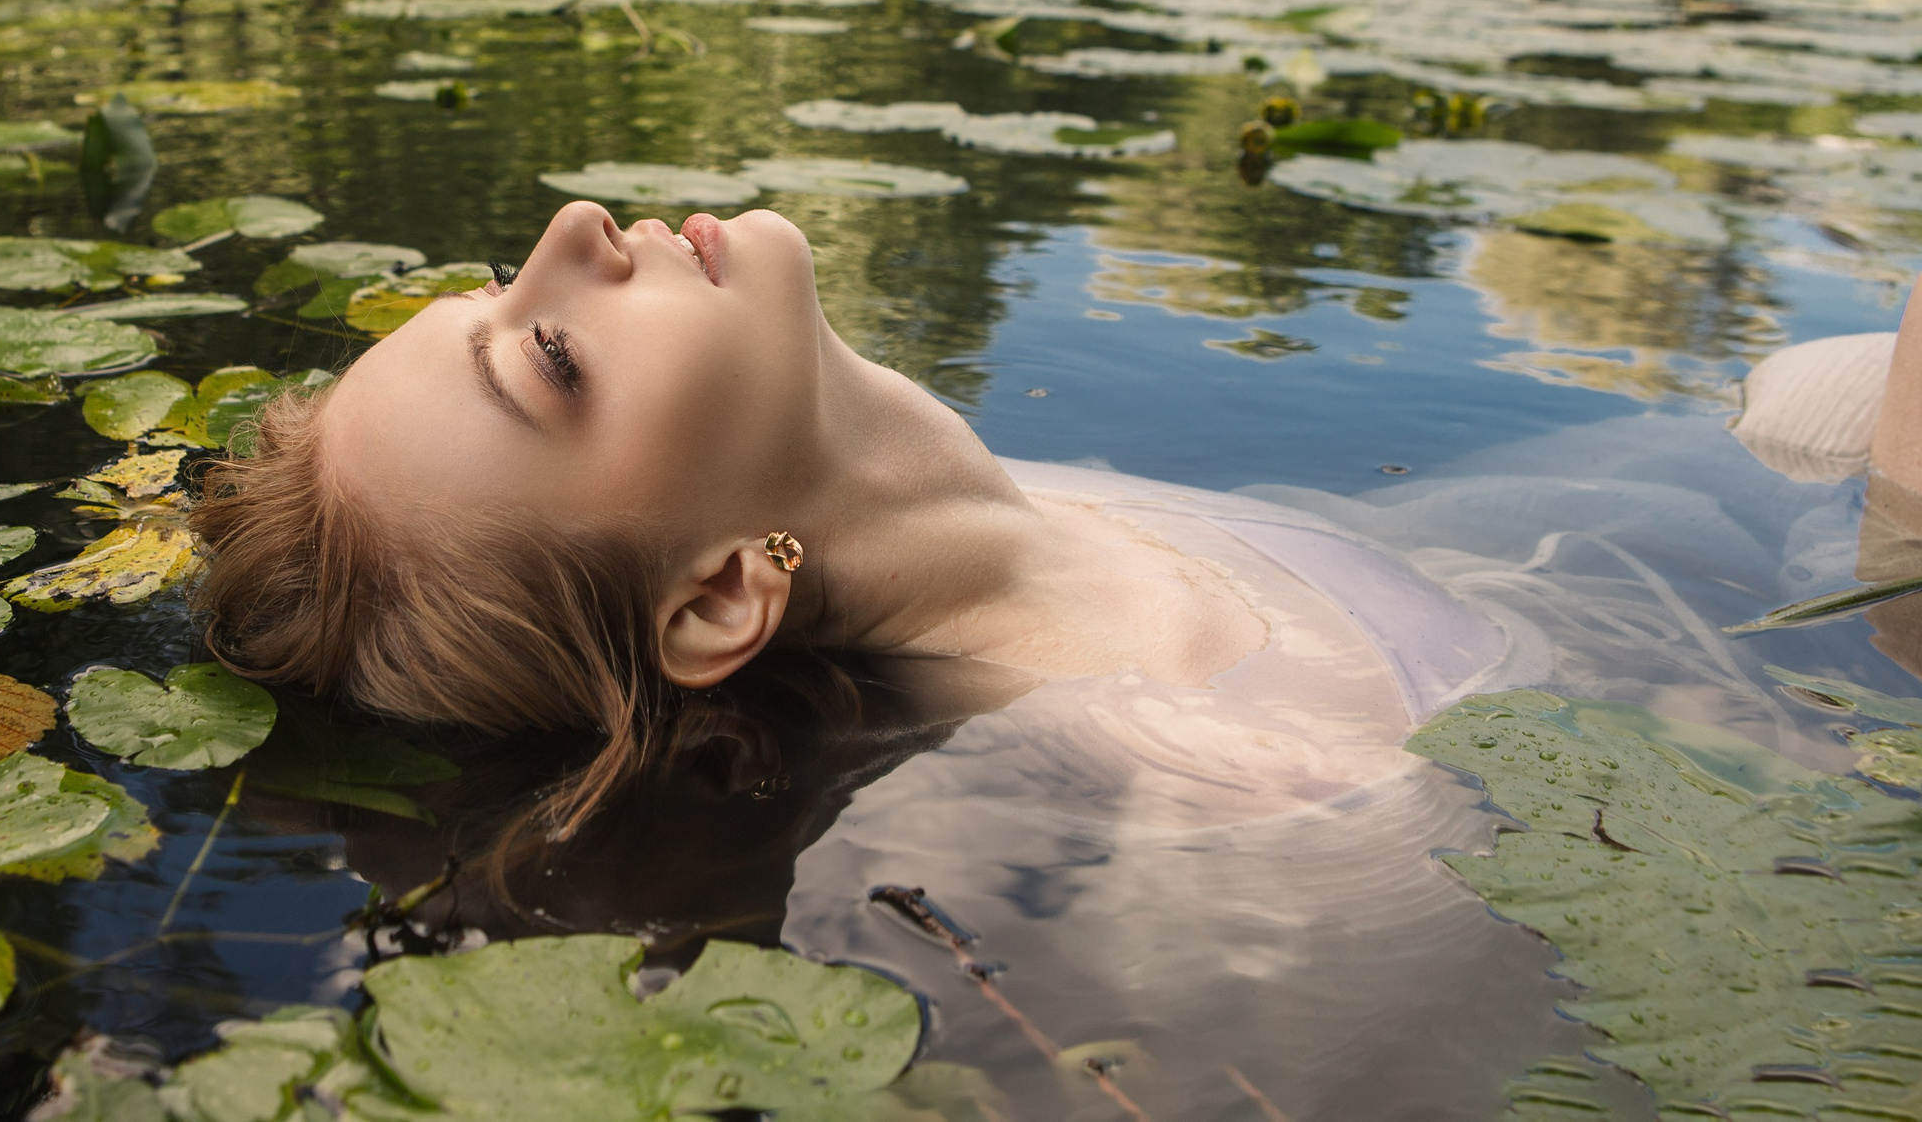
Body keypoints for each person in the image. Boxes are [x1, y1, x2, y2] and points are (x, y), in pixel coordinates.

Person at [191, 200, 1586, 1117]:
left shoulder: (1040, 503)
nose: (572, 230)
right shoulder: (1260, 771)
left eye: (499, 288)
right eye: (554, 359)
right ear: (722, 599)